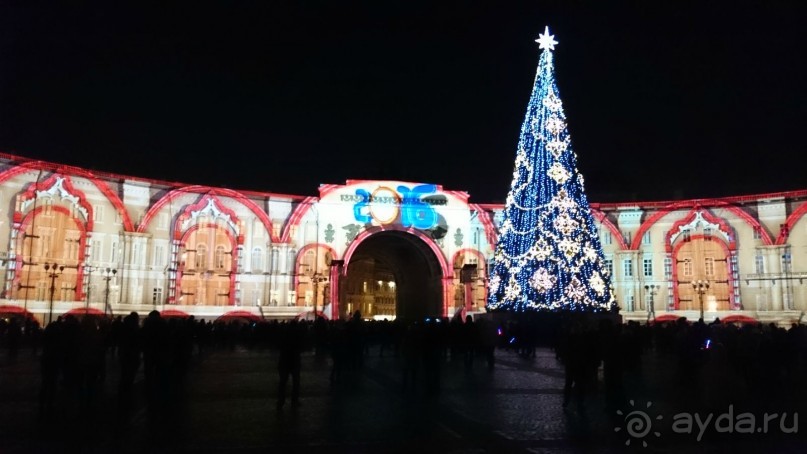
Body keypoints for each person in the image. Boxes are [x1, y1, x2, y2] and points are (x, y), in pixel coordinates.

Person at [276, 320, 304, 410]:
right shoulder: (298, 335)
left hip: (284, 360)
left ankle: (280, 401)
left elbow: (278, 345)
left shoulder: (283, 335)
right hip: (294, 361)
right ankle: (294, 400)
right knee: (296, 382)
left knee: (283, 382)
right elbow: (301, 346)